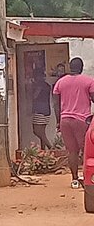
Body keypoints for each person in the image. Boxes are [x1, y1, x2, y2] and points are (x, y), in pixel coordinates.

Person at [53, 58, 94, 188]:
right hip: (82, 120)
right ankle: (88, 179)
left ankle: (74, 179)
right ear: (81, 68)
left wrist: (58, 121)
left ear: (69, 68)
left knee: (72, 151)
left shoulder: (60, 82)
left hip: (65, 120)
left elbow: (55, 103)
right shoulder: (89, 81)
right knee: (86, 150)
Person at [31, 67, 53, 150]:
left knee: (37, 131)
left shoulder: (39, 85)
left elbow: (34, 96)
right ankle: (43, 150)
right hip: (46, 110)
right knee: (42, 132)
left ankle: (50, 147)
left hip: (39, 110)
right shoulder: (47, 85)